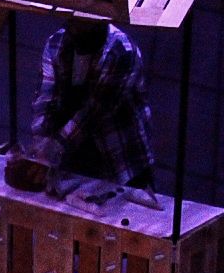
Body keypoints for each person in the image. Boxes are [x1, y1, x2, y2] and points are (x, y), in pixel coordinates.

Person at [30, 19, 154, 188]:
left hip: (122, 165)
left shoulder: (121, 51)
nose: (75, 28)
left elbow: (92, 113)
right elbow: (45, 99)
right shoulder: (56, 44)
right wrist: (40, 143)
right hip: (75, 160)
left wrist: (53, 147)